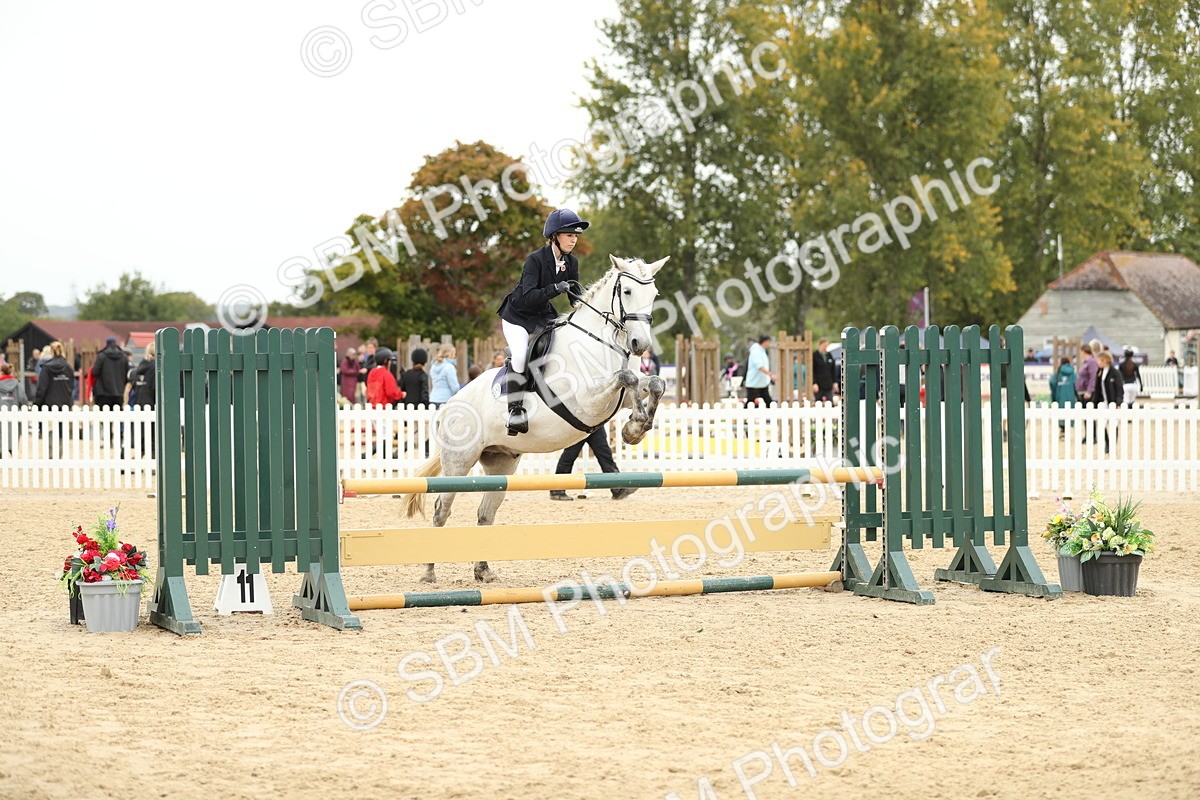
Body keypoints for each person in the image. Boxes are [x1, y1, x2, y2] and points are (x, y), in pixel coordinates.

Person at [496, 208, 587, 435]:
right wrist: (555, 288)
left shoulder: (571, 262)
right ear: (554, 236)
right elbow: (528, 296)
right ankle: (515, 410)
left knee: (564, 339)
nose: (573, 239)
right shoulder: (535, 260)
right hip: (517, 316)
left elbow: (574, 296)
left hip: (542, 314)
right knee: (519, 355)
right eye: (569, 235)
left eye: (575, 235)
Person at [548, 427, 637, 501]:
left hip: (595, 425)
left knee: (605, 455)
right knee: (569, 456)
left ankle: (618, 488)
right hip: (580, 426)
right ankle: (557, 490)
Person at [130, 342, 157, 456]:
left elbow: (134, 386)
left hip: (139, 403)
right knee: (153, 435)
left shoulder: (139, 368)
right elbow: (155, 388)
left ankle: (140, 455)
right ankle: (152, 457)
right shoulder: (155, 369)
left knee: (141, 433)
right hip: (152, 404)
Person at [1093, 350, 1122, 454]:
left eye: (1098, 360)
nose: (1097, 363)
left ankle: (1112, 445)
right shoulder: (1099, 372)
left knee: (1114, 425)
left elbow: (1119, 389)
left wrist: (1118, 403)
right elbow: (1097, 389)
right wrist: (1094, 403)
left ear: (1104, 360)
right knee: (1101, 424)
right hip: (1103, 403)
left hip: (1113, 403)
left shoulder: (1115, 373)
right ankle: (1107, 443)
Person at [90, 337, 130, 409]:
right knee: (117, 417)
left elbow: (95, 372)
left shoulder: (102, 356)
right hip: (119, 392)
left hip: (103, 392)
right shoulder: (124, 357)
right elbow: (127, 374)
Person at [0, 362, 29, 455]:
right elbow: (23, 399)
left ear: (1, 372)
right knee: (13, 434)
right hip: (14, 414)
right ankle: (13, 450)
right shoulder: (17, 385)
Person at [743, 335, 776, 407]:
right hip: (754, 383)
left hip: (762, 382)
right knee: (750, 402)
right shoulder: (756, 351)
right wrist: (770, 375)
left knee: (768, 402)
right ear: (765, 342)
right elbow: (760, 366)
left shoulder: (762, 351)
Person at [1050, 357, 1076, 437]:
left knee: (1060, 413)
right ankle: (1067, 429)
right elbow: (1077, 384)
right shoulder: (1073, 373)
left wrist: (1053, 397)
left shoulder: (1057, 373)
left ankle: (1062, 429)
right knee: (1069, 413)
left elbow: (1052, 383)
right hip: (1071, 396)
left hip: (1060, 396)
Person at [811, 337, 837, 402]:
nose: (825, 347)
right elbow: (812, 370)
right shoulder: (814, 355)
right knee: (818, 402)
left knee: (830, 402)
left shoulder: (829, 355)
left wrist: (834, 382)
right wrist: (814, 383)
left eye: (826, 346)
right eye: (824, 345)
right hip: (819, 385)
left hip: (828, 384)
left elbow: (833, 370)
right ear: (820, 345)